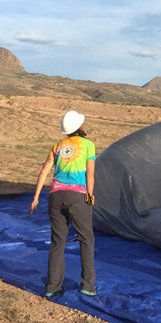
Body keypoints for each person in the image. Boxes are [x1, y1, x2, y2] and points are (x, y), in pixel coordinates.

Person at [30, 110, 97, 298]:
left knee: (57, 241)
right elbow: (90, 174)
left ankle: (52, 287)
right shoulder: (88, 145)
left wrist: (36, 197)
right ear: (80, 126)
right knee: (86, 239)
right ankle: (87, 286)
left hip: (55, 196)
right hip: (77, 196)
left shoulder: (57, 146)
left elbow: (44, 171)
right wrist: (90, 194)